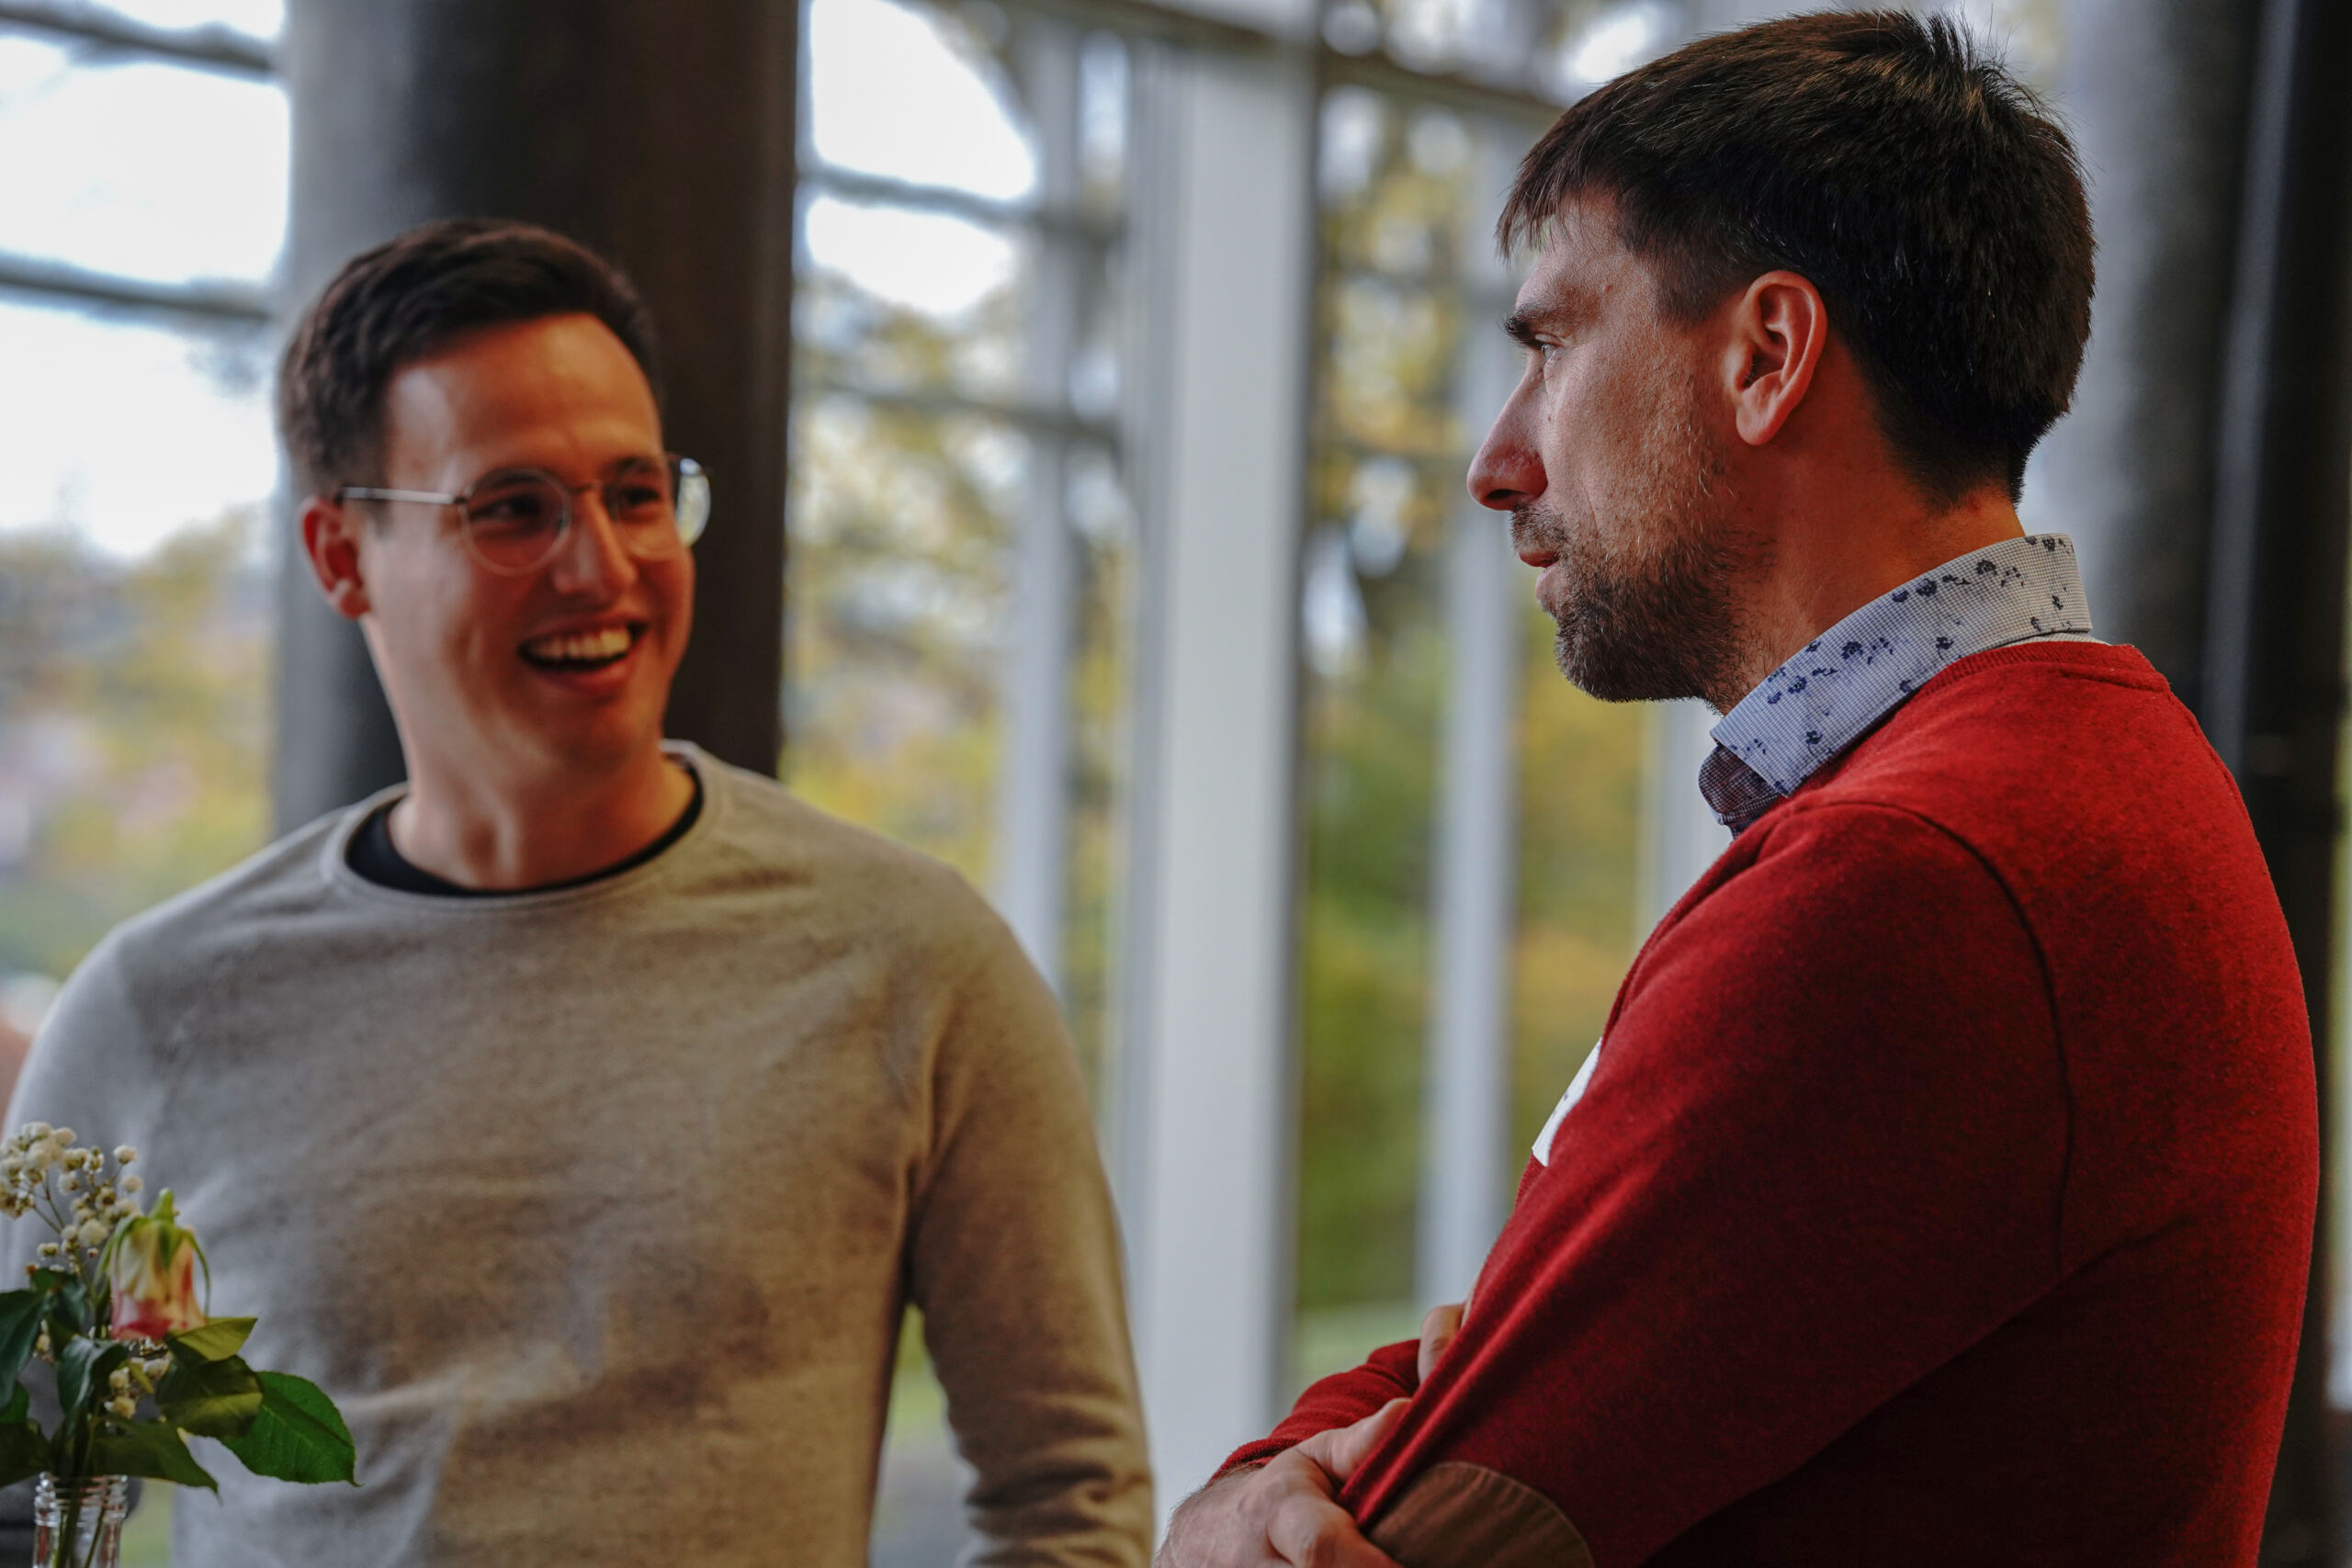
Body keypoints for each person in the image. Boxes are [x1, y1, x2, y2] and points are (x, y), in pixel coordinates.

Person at [1162, 14, 2312, 1568]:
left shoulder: (1917, 881)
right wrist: (1276, 1469)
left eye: (1553, 344)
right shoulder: (2094, 773)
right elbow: (1500, 1343)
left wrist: (1233, 1511)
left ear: (1767, 358)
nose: (1500, 462)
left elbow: (1409, 1534)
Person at [8, 219, 1151, 1566]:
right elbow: (29, 1502)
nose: (601, 565)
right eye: (512, 508)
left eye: (635, 491)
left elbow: (1069, 1495)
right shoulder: (156, 1013)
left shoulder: (914, 966)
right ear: (339, 555)